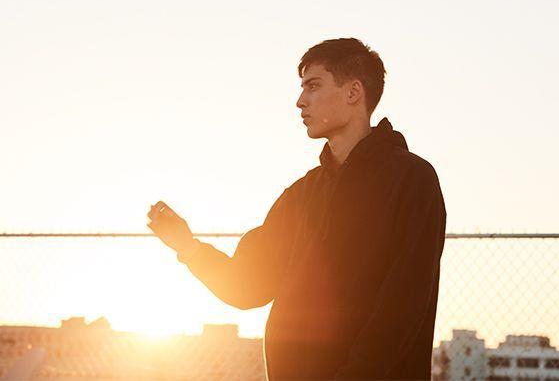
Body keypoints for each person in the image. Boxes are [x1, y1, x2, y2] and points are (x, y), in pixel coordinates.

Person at [147, 37, 447, 380]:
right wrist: (187, 246)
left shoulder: (412, 179)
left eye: (313, 86)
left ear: (353, 92)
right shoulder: (301, 195)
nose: (300, 101)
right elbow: (247, 286)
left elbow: (402, 307)